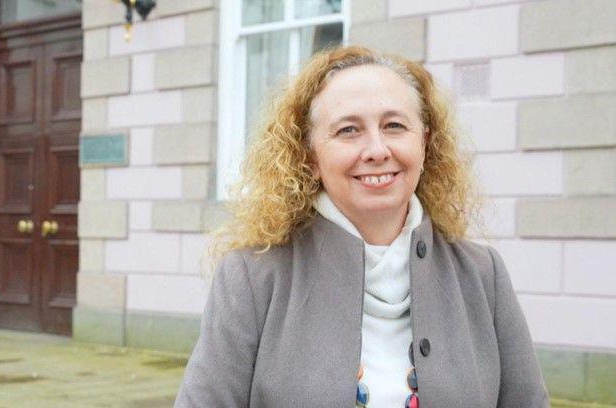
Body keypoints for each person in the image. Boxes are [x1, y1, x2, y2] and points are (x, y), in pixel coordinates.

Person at [173, 46, 549, 407]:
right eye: (349, 130)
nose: (376, 150)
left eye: (395, 125)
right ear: (309, 156)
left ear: (425, 143)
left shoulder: (483, 275)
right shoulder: (253, 278)